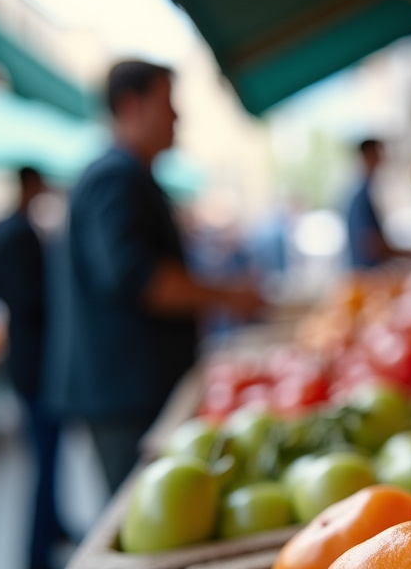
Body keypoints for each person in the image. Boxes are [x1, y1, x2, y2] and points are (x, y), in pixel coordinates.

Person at [45, 60, 264, 495]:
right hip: (126, 394)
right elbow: (136, 277)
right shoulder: (114, 178)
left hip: (134, 387)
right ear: (131, 106)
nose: (177, 117)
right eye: (167, 104)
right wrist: (228, 295)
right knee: (141, 503)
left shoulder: (130, 177)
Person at [0, 166, 72, 569]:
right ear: (31, 185)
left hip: (22, 353)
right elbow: (31, 295)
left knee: (47, 455)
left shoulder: (2, 230)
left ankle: (53, 527)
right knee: (45, 458)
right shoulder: (20, 234)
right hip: (36, 360)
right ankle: (37, 558)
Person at [344, 139, 409, 268]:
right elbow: (369, 244)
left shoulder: (366, 191)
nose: (383, 158)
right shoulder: (361, 196)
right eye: (379, 153)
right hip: (367, 274)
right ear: (368, 156)